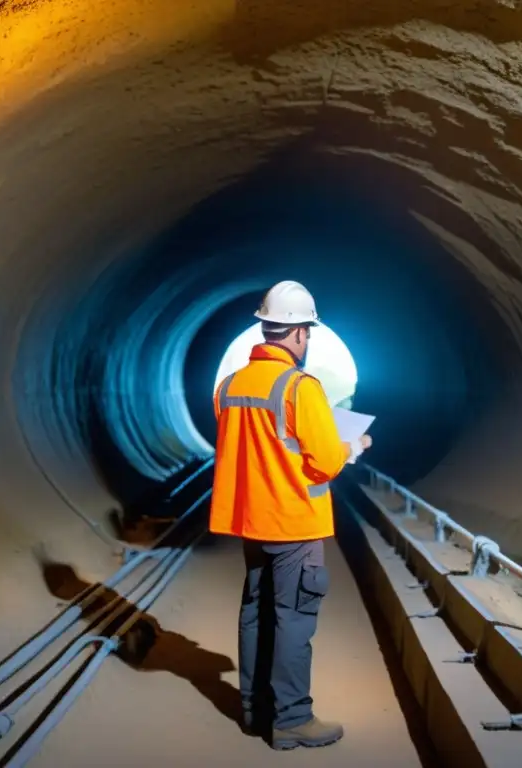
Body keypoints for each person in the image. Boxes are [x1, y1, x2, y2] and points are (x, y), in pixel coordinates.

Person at [209, 280, 372, 751]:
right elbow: (323, 460)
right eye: (307, 333)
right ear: (299, 333)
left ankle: (253, 710)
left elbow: (249, 448)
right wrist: (354, 445)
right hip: (294, 522)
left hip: (250, 522)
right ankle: (293, 720)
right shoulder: (300, 388)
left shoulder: (229, 386)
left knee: (256, 614)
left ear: (266, 328)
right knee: (294, 619)